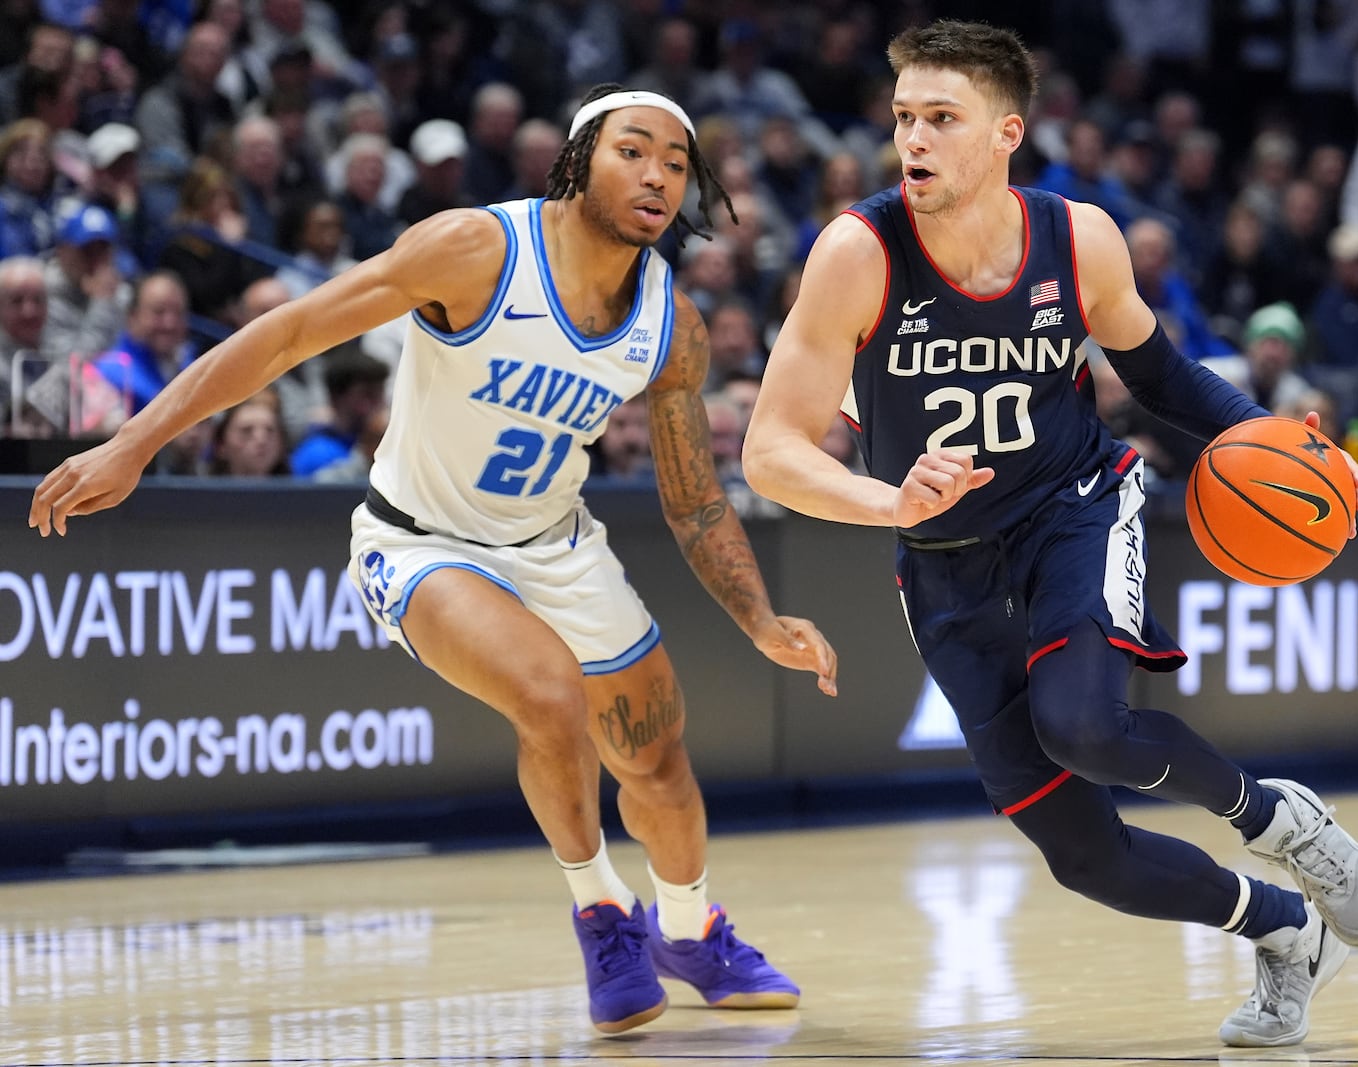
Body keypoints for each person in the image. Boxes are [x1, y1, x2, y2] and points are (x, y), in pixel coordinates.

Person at [28, 82, 836, 1037]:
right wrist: (134, 441)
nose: (658, 173)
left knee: (657, 758)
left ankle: (692, 928)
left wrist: (761, 620)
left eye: (675, 162)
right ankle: (602, 911)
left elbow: (695, 494)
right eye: (634, 150)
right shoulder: (477, 249)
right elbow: (289, 332)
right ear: (578, 159)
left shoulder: (673, 328)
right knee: (549, 694)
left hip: (557, 542)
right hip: (419, 540)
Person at [743, 21, 1358, 1049]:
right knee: (1085, 856)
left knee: (1084, 723)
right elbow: (772, 450)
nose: (911, 138)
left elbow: (1164, 379)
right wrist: (889, 503)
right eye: (903, 116)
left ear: (1005, 132)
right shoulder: (855, 253)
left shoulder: (1078, 237)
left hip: (1073, 505)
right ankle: (1285, 930)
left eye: (940, 118)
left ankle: (1279, 821)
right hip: (943, 561)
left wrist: (1291, 450)